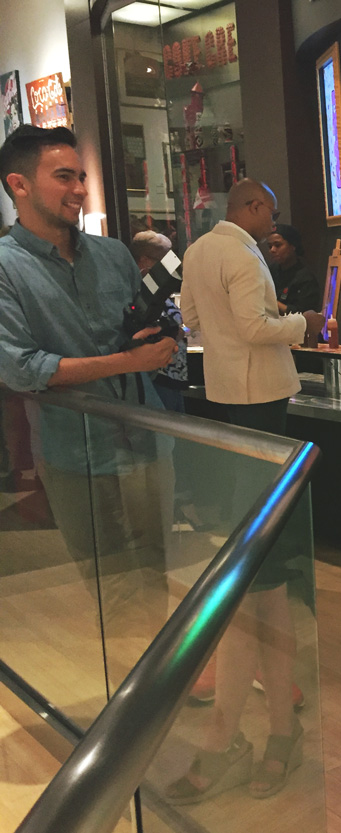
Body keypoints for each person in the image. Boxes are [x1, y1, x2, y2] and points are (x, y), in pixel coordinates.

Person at [170, 178, 323, 804]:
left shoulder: (199, 250)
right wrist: (304, 322)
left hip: (227, 391)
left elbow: (192, 319)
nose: (274, 224)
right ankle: (268, 728)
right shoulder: (240, 252)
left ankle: (257, 730)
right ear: (251, 208)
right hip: (262, 393)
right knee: (265, 547)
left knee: (259, 563)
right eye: (271, 212)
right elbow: (258, 327)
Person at [0, 125, 177, 665]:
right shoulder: (6, 267)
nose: (79, 188)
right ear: (19, 185)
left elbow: (138, 328)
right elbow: (20, 368)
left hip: (146, 436)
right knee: (109, 579)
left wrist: (161, 334)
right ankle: (134, 691)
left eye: (81, 176)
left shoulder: (114, 255)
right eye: (64, 177)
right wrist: (129, 362)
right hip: (75, 450)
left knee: (155, 566)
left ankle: (163, 676)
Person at [130, 230, 189, 413]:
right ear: (144, 260)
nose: (170, 266)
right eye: (164, 259)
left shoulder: (157, 290)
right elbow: (147, 329)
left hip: (173, 376)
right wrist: (176, 332)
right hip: (156, 377)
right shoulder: (137, 291)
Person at [266, 223, 322, 315]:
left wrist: (271, 302)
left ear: (293, 246)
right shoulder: (270, 270)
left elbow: (305, 315)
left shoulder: (306, 279)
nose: (272, 250)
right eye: (270, 246)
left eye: (278, 245)